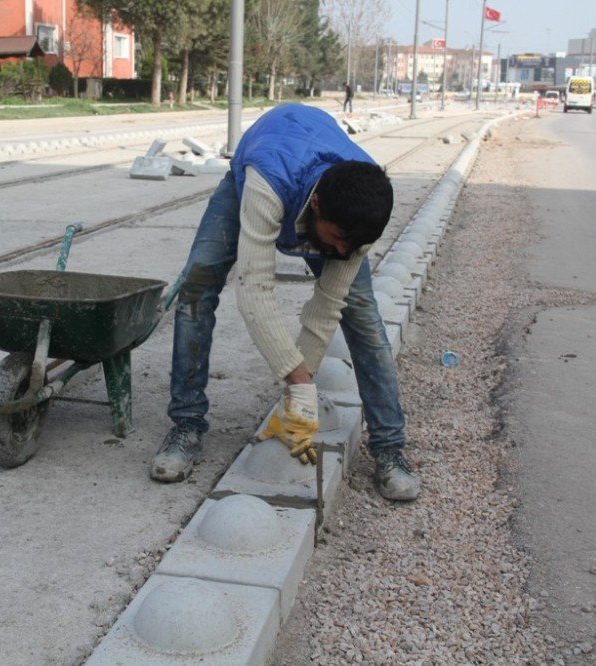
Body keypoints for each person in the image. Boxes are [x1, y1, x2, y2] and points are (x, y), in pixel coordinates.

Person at [148, 104, 421, 502]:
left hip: (318, 183)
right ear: (316, 207)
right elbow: (255, 289)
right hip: (264, 168)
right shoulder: (266, 186)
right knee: (196, 286)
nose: (342, 252)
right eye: (338, 239)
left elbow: (328, 303)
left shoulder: (361, 216)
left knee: (361, 314)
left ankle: (389, 447)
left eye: (354, 245)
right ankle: (187, 425)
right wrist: (298, 382)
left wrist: (299, 391)